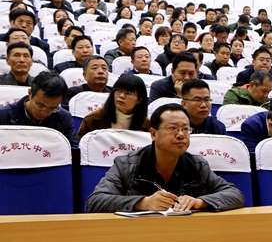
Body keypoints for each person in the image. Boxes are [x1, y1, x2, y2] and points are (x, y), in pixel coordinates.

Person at [86, 104, 244, 212]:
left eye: (186, 129)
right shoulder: (127, 164)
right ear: (153, 134)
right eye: (173, 128)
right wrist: (143, 203)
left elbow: (234, 194)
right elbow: (95, 202)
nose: (181, 135)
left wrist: (199, 202)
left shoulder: (197, 164)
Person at [0, 71, 72, 143]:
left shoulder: (63, 118)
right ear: (30, 93)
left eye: (52, 108)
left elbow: (69, 147)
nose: (44, 112)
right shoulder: (3, 116)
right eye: (40, 105)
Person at [77, 73, 149, 140]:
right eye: (118, 91)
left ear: (139, 100)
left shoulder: (147, 125)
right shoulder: (93, 119)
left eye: (128, 93)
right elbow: (81, 145)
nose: (121, 96)